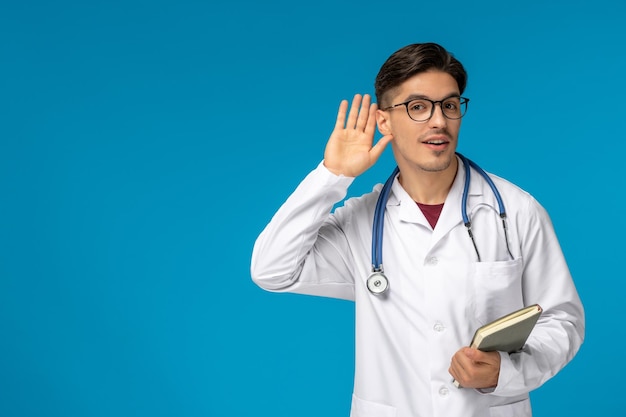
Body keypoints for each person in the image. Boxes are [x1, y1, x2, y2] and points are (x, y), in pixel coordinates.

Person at [250, 42, 584, 417]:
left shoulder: (517, 211)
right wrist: (332, 176)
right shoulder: (360, 225)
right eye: (417, 107)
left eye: (450, 105)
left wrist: (505, 372)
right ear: (384, 121)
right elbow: (271, 270)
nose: (438, 121)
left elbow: (562, 321)